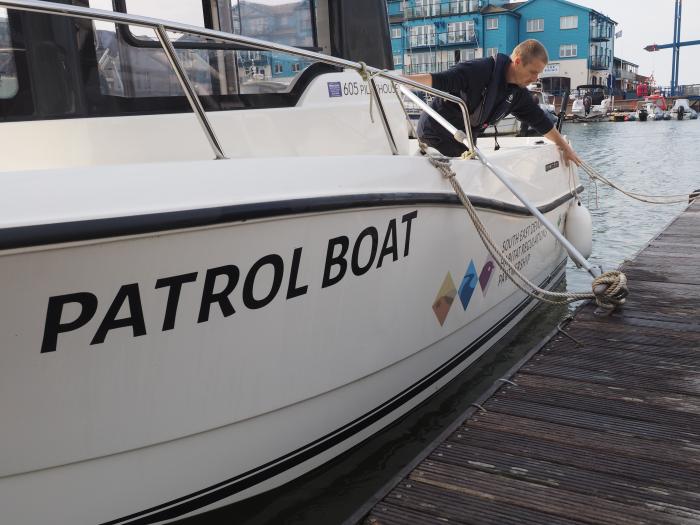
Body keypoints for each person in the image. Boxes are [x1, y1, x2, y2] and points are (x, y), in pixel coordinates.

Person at [407, 39, 581, 166]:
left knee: (473, 172)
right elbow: (440, 80)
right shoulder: (478, 70)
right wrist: (398, 80)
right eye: (533, 72)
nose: (535, 78)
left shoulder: (518, 93)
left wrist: (565, 147)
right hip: (436, 133)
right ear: (518, 61)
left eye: (538, 74)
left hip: (465, 140)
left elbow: (540, 121)